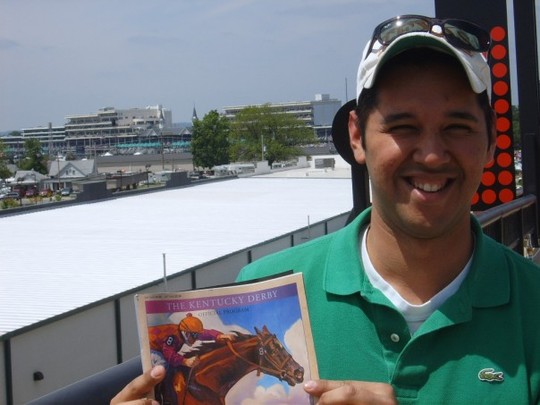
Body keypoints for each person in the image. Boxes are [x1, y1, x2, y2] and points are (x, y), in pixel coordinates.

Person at [112, 14, 540, 404]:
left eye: (457, 127)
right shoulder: (262, 288)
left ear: (491, 141)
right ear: (357, 137)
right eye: (403, 127)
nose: (431, 154)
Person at [147, 313, 235, 404]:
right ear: (186, 333)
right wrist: (184, 361)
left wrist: (218, 336)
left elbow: (203, 333)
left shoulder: (188, 331)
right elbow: (168, 354)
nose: (197, 338)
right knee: (163, 364)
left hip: (160, 348)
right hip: (150, 348)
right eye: (195, 336)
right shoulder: (172, 336)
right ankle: (158, 395)